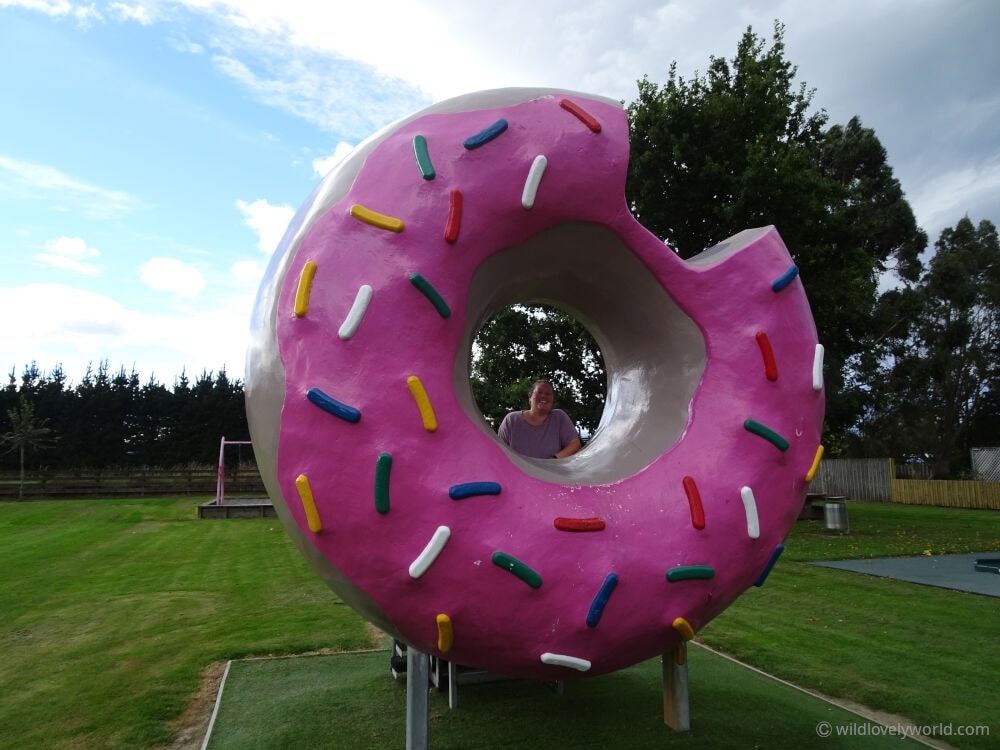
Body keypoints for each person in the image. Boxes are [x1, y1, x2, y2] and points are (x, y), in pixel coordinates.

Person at [498, 379, 583, 459]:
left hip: (552, 473)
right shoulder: (511, 420)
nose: (543, 396)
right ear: (530, 396)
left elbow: (575, 445)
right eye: (539, 392)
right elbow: (498, 451)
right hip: (516, 473)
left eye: (548, 394)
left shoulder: (559, 417)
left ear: (552, 399)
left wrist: (553, 460)